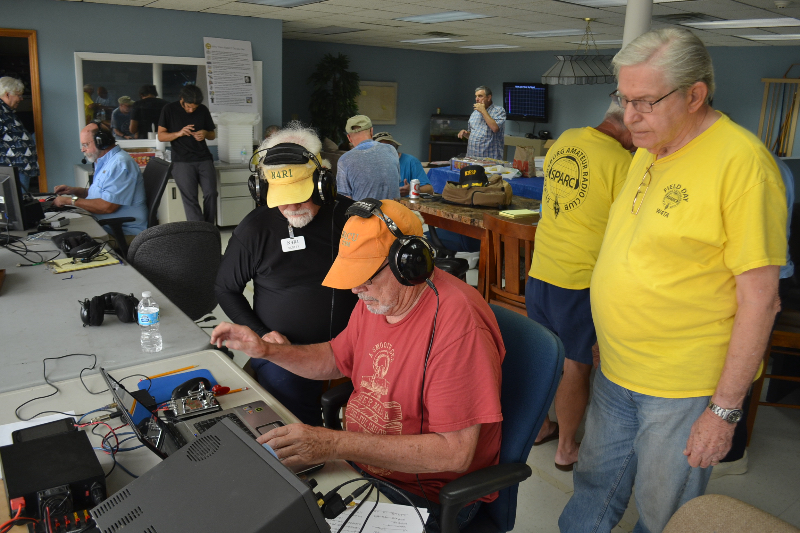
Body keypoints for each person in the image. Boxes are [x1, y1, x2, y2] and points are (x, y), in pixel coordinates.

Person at [560, 28, 787, 533]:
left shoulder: (743, 165)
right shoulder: (649, 147)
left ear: (695, 95)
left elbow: (760, 300)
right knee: (593, 487)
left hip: (681, 387)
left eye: (644, 102)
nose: (628, 116)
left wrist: (724, 411)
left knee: (665, 514)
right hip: (617, 369)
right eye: (623, 99)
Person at [211, 199, 504, 532]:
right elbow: (336, 358)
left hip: (424, 496)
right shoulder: (379, 300)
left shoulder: (459, 326)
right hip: (362, 469)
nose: (355, 288)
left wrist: (332, 443)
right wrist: (267, 351)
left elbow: (454, 453)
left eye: (365, 276)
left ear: (409, 263)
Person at [215, 123, 359, 426]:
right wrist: (261, 333)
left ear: (322, 183)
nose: (291, 206)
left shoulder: (350, 218)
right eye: (282, 196)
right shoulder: (255, 229)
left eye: (300, 194)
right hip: (283, 352)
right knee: (290, 409)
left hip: (353, 344)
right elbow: (226, 288)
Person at [527, 101, 633, 472]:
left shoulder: (565, 140)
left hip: (541, 268)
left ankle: (540, 427)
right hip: (578, 280)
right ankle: (567, 448)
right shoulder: (622, 163)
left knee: (543, 354)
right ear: (627, 122)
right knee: (576, 363)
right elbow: (627, 230)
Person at [52, 123, 147, 240]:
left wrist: (69, 201)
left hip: (121, 233)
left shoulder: (120, 164)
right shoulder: (104, 161)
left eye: (86, 144)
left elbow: (107, 206)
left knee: (65, 239)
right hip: (103, 225)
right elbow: (101, 195)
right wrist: (75, 191)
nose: (82, 149)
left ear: (101, 142)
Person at [157, 85, 217, 223]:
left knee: (211, 193)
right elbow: (161, 136)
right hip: (182, 161)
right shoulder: (169, 109)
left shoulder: (203, 110)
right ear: (182, 99)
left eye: (194, 108)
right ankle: (198, 230)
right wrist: (179, 133)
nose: (191, 110)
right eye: (189, 107)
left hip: (204, 158)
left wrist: (205, 133)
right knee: (190, 198)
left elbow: (212, 135)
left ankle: (209, 227)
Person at [336, 115, 400, 201]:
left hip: (365, 210)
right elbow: (395, 183)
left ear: (349, 138)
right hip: (395, 209)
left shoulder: (344, 160)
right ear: (371, 131)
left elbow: (345, 199)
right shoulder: (391, 150)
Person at [0, 77, 39, 194]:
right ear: (7, 94)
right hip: (11, 169)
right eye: (18, 95)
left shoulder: (7, 111)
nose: (21, 99)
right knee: (16, 201)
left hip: (18, 168)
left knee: (20, 200)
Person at [373, 131, 433, 196]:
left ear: (395, 146)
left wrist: (412, 190)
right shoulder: (371, 164)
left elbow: (429, 190)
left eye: (389, 146)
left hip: (404, 202)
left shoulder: (411, 161)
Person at [457, 86, 506, 160]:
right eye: (476, 96)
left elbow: (495, 128)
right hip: (472, 158)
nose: (476, 99)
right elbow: (473, 135)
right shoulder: (475, 113)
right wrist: (466, 134)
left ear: (489, 97)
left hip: (489, 159)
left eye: (480, 96)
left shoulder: (498, 110)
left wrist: (483, 111)